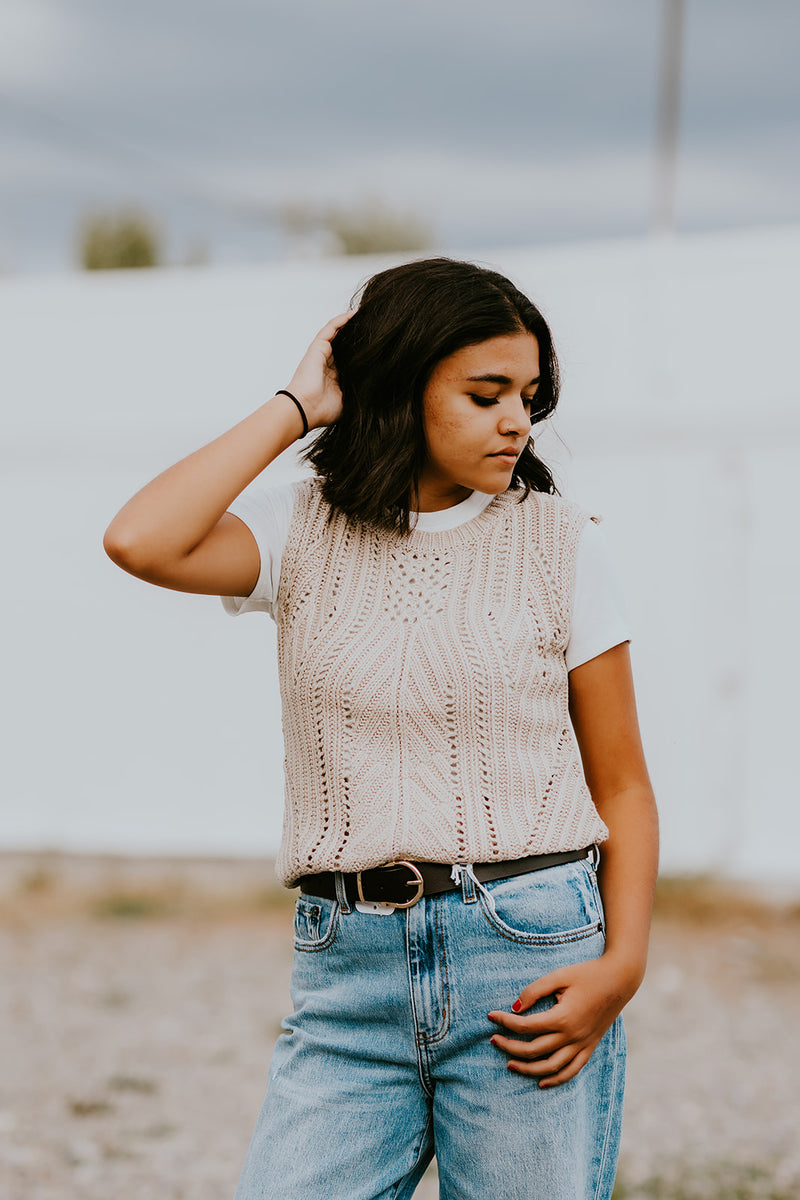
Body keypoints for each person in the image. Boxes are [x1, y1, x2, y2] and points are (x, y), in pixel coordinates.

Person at [104, 257, 658, 1200]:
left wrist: (624, 966)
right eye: (486, 395)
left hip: (526, 961)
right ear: (401, 388)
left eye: (529, 395)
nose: (517, 421)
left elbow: (623, 786)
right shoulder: (299, 531)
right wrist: (296, 402)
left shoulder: (565, 544)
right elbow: (140, 540)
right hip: (344, 973)